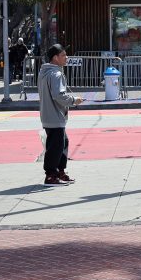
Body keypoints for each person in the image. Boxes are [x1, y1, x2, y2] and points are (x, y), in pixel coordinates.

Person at [39, 43, 84, 186]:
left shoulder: (45, 72)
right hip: (55, 115)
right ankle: (51, 175)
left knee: (62, 143)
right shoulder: (56, 74)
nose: (67, 57)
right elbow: (59, 95)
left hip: (48, 115)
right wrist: (74, 100)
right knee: (56, 146)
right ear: (55, 58)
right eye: (63, 55)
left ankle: (59, 172)